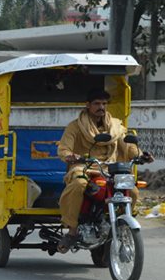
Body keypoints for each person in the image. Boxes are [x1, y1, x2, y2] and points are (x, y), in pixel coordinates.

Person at [56, 87, 153, 252]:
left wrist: (140, 155)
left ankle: (122, 223)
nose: (101, 107)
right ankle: (72, 231)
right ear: (88, 105)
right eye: (96, 103)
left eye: (104, 103)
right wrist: (70, 156)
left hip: (110, 169)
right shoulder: (75, 127)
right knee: (79, 184)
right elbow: (63, 149)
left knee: (133, 191)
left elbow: (128, 146)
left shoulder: (116, 127)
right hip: (84, 166)